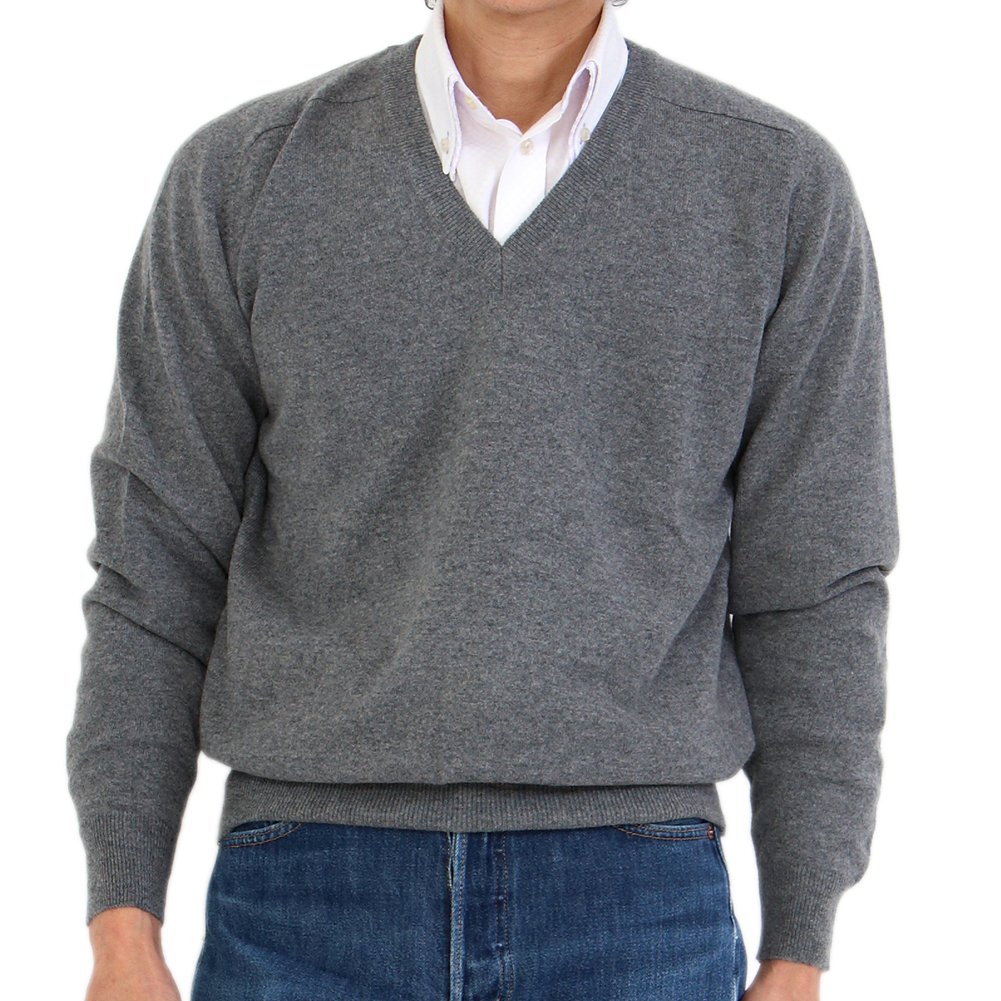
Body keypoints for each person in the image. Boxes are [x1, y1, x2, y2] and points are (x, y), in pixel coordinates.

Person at [66, 0, 899, 998]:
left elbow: (815, 584)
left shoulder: (775, 184)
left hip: (635, 896)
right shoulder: (243, 176)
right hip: (304, 893)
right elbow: (154, 565)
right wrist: (122, 927)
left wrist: (799, 944)